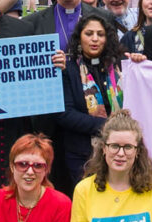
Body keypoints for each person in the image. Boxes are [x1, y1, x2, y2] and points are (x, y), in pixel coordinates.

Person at [54, 12, 130, 188]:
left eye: (100, 34)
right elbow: (65, 114)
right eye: (89, 34)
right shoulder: (67, 69)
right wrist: (107, 125)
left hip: (121, 152)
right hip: (83, 155)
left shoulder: (120, 66)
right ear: (79, 37)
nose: (95, 39)